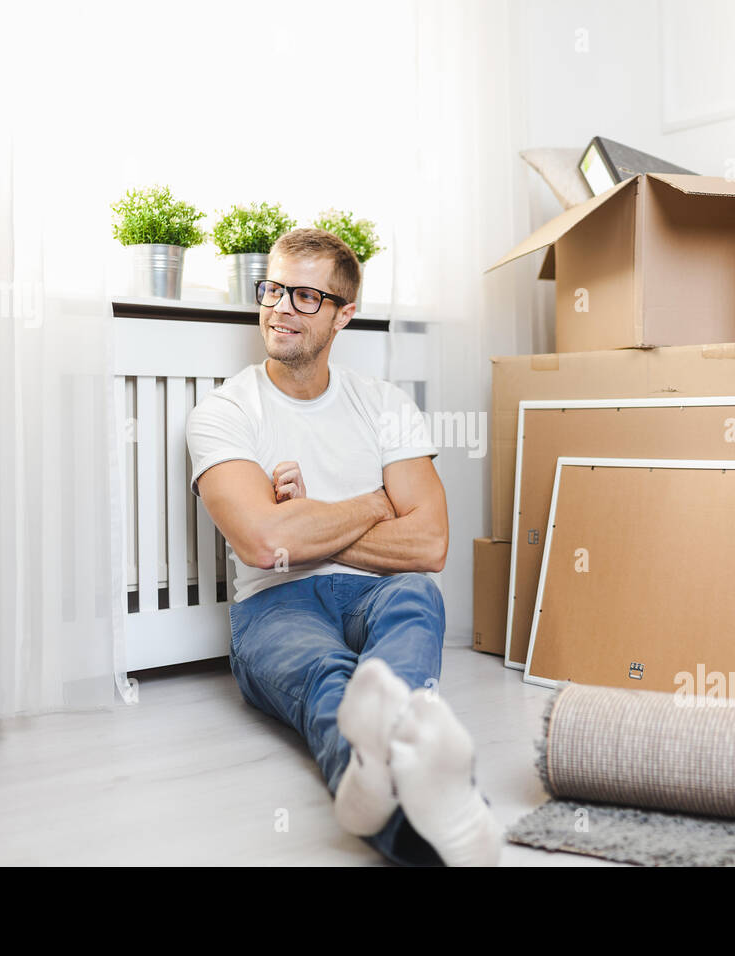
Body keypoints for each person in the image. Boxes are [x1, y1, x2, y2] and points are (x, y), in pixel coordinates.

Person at [186, 228, 502, 866]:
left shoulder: (385, 406)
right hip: (275, 607)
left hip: (375, 591)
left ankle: (380, 774)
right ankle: (434, 828)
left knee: (415, 593)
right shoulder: (224, 412)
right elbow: (264, 542)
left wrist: (313, 521)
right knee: (330, 683)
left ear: (343, 314)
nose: (280, 308)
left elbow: (431, 544)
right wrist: (378, 502)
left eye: (305, 296)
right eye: (273, 289)